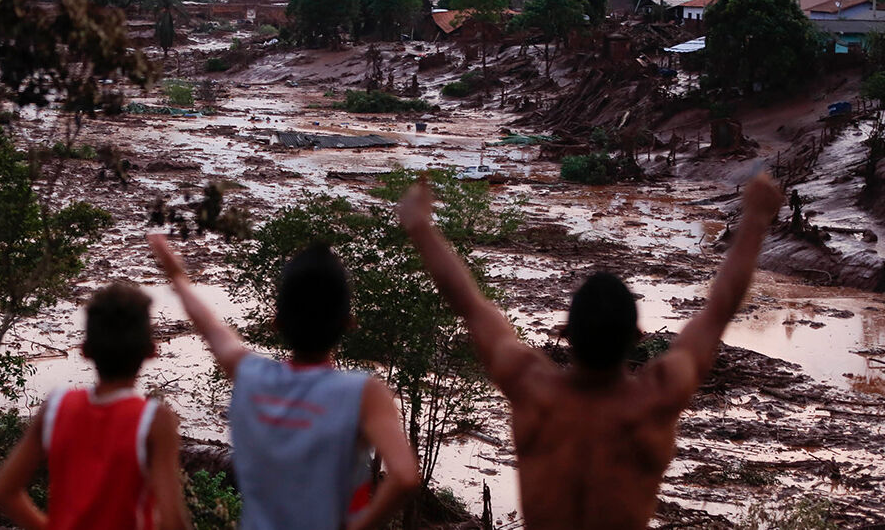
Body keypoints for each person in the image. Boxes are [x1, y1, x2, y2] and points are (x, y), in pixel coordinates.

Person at [398, 172, 784, 530]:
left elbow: (469, 303)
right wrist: (755, 219)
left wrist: (420, 228)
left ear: (566, 334)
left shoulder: (533, 390)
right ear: (638, 337)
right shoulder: (656, 398)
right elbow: (719, 309)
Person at [148, 235, 420, 530]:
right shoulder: (364, 393)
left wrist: (176, 274)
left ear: (276, 322)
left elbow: (212, 328)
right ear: (348, 322)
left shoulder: (250, 376)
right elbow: (405, 476)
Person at [0, 283, 191, 530]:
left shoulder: (56, 406)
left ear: (85, 351)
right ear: (151, 351)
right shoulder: (154, 420)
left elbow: (3, 492)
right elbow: (172, 521)